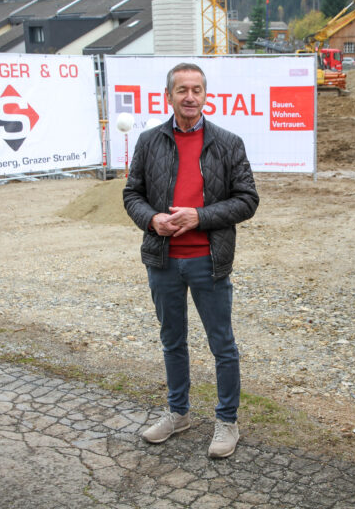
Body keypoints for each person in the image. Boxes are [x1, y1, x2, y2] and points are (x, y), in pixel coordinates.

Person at [123, 62, 259, 458]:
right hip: (163, 261)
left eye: (196, 89)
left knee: (223, 346)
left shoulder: (227, 142)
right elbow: (132, 194)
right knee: (172, 341)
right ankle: (178, 413)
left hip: (208, 261)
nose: (190, 97)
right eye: (182, 89)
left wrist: (200, 216)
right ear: (169, 96)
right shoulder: (149, 141)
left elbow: (248, 200)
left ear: (205, 95)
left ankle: (227, 422)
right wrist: (152, 219)